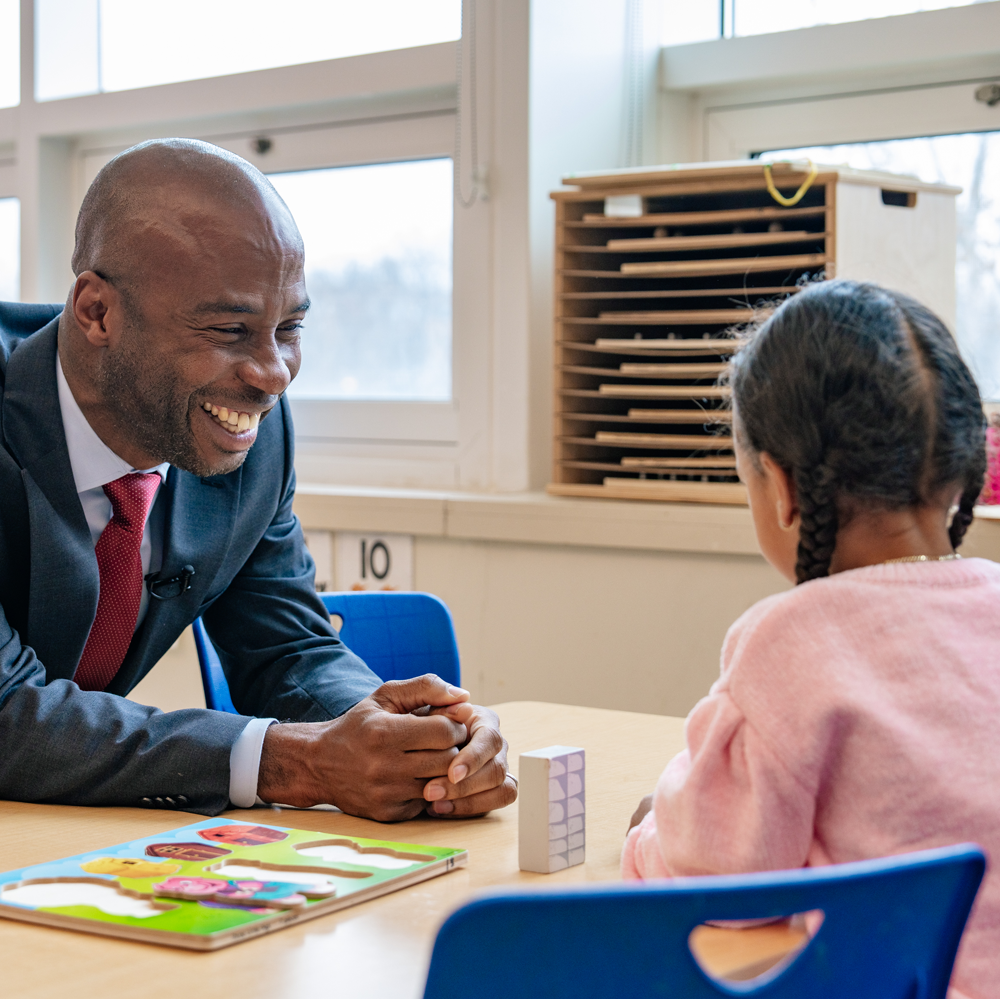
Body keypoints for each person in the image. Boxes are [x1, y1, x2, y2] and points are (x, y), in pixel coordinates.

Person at [0, 138, 516, 822]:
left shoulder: (244, 430)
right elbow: (8, 713)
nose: (273, 374)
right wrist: (294, 761)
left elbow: (286, 647)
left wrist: (402, 745)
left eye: (290, 327)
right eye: (229, 329)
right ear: (97, 313)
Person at [621, 281, 1000, 998]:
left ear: (781, 487)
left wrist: (651, 829)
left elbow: (715, 892)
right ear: (956, 472)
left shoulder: (786, 647)